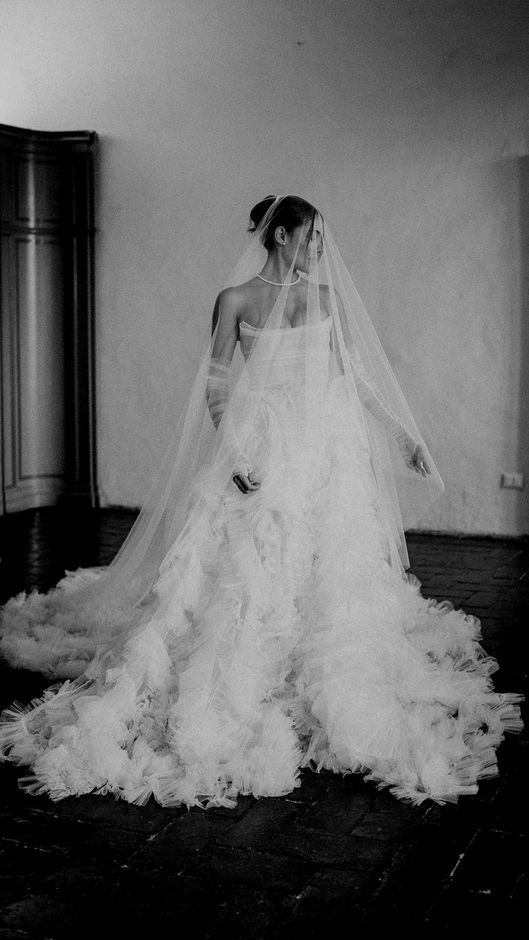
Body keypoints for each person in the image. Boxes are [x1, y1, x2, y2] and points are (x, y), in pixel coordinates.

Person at [0, 195, 522, 808]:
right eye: (310, 239)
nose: (319, 252)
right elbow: (218, 384)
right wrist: (236, 455)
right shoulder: (236, 300)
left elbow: (353, 379)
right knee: (244, 576)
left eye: (322, 241)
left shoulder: (326, 300)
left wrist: (405, 437)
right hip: (263, 448)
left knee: (329, 571)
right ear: (279, 236)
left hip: (326, 454)